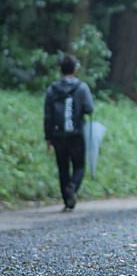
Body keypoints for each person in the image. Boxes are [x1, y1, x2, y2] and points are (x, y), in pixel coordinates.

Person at [43, 54, 95, 212]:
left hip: (58, 135)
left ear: (60, 69)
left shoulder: (52, 89)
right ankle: (72, 188)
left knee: (62, 167)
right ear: (75, 69)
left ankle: (67, 201)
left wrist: (48, 136)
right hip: (76, 133)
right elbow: (89, 108)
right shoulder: (82, 87)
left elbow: (48, 115)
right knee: (79, 166)